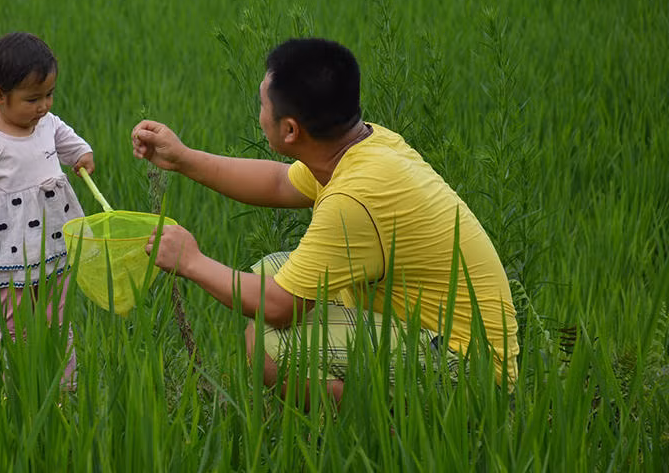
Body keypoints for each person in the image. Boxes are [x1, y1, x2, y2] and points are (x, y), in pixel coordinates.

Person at [131, 37, 519, 403]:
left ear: (290, 130)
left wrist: (191, 261)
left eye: (262, 104)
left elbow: (279, 306)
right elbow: (280, 182)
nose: (259, 113)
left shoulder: (354, 198)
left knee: (267, 347)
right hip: (439, 332)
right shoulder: (366, 145)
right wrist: (183, 158)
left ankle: (394, 428)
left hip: (473, 372)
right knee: (270, 272)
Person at [0, 31, 94, 390]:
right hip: (11, 252)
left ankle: (66, 388)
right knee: (16, 325)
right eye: (32, 99)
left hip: (54, 240)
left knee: (58, 319)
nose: (43, 106)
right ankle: (18, 389)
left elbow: (66, 138)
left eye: (49, 94)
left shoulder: (46, 122)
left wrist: (81, 153)